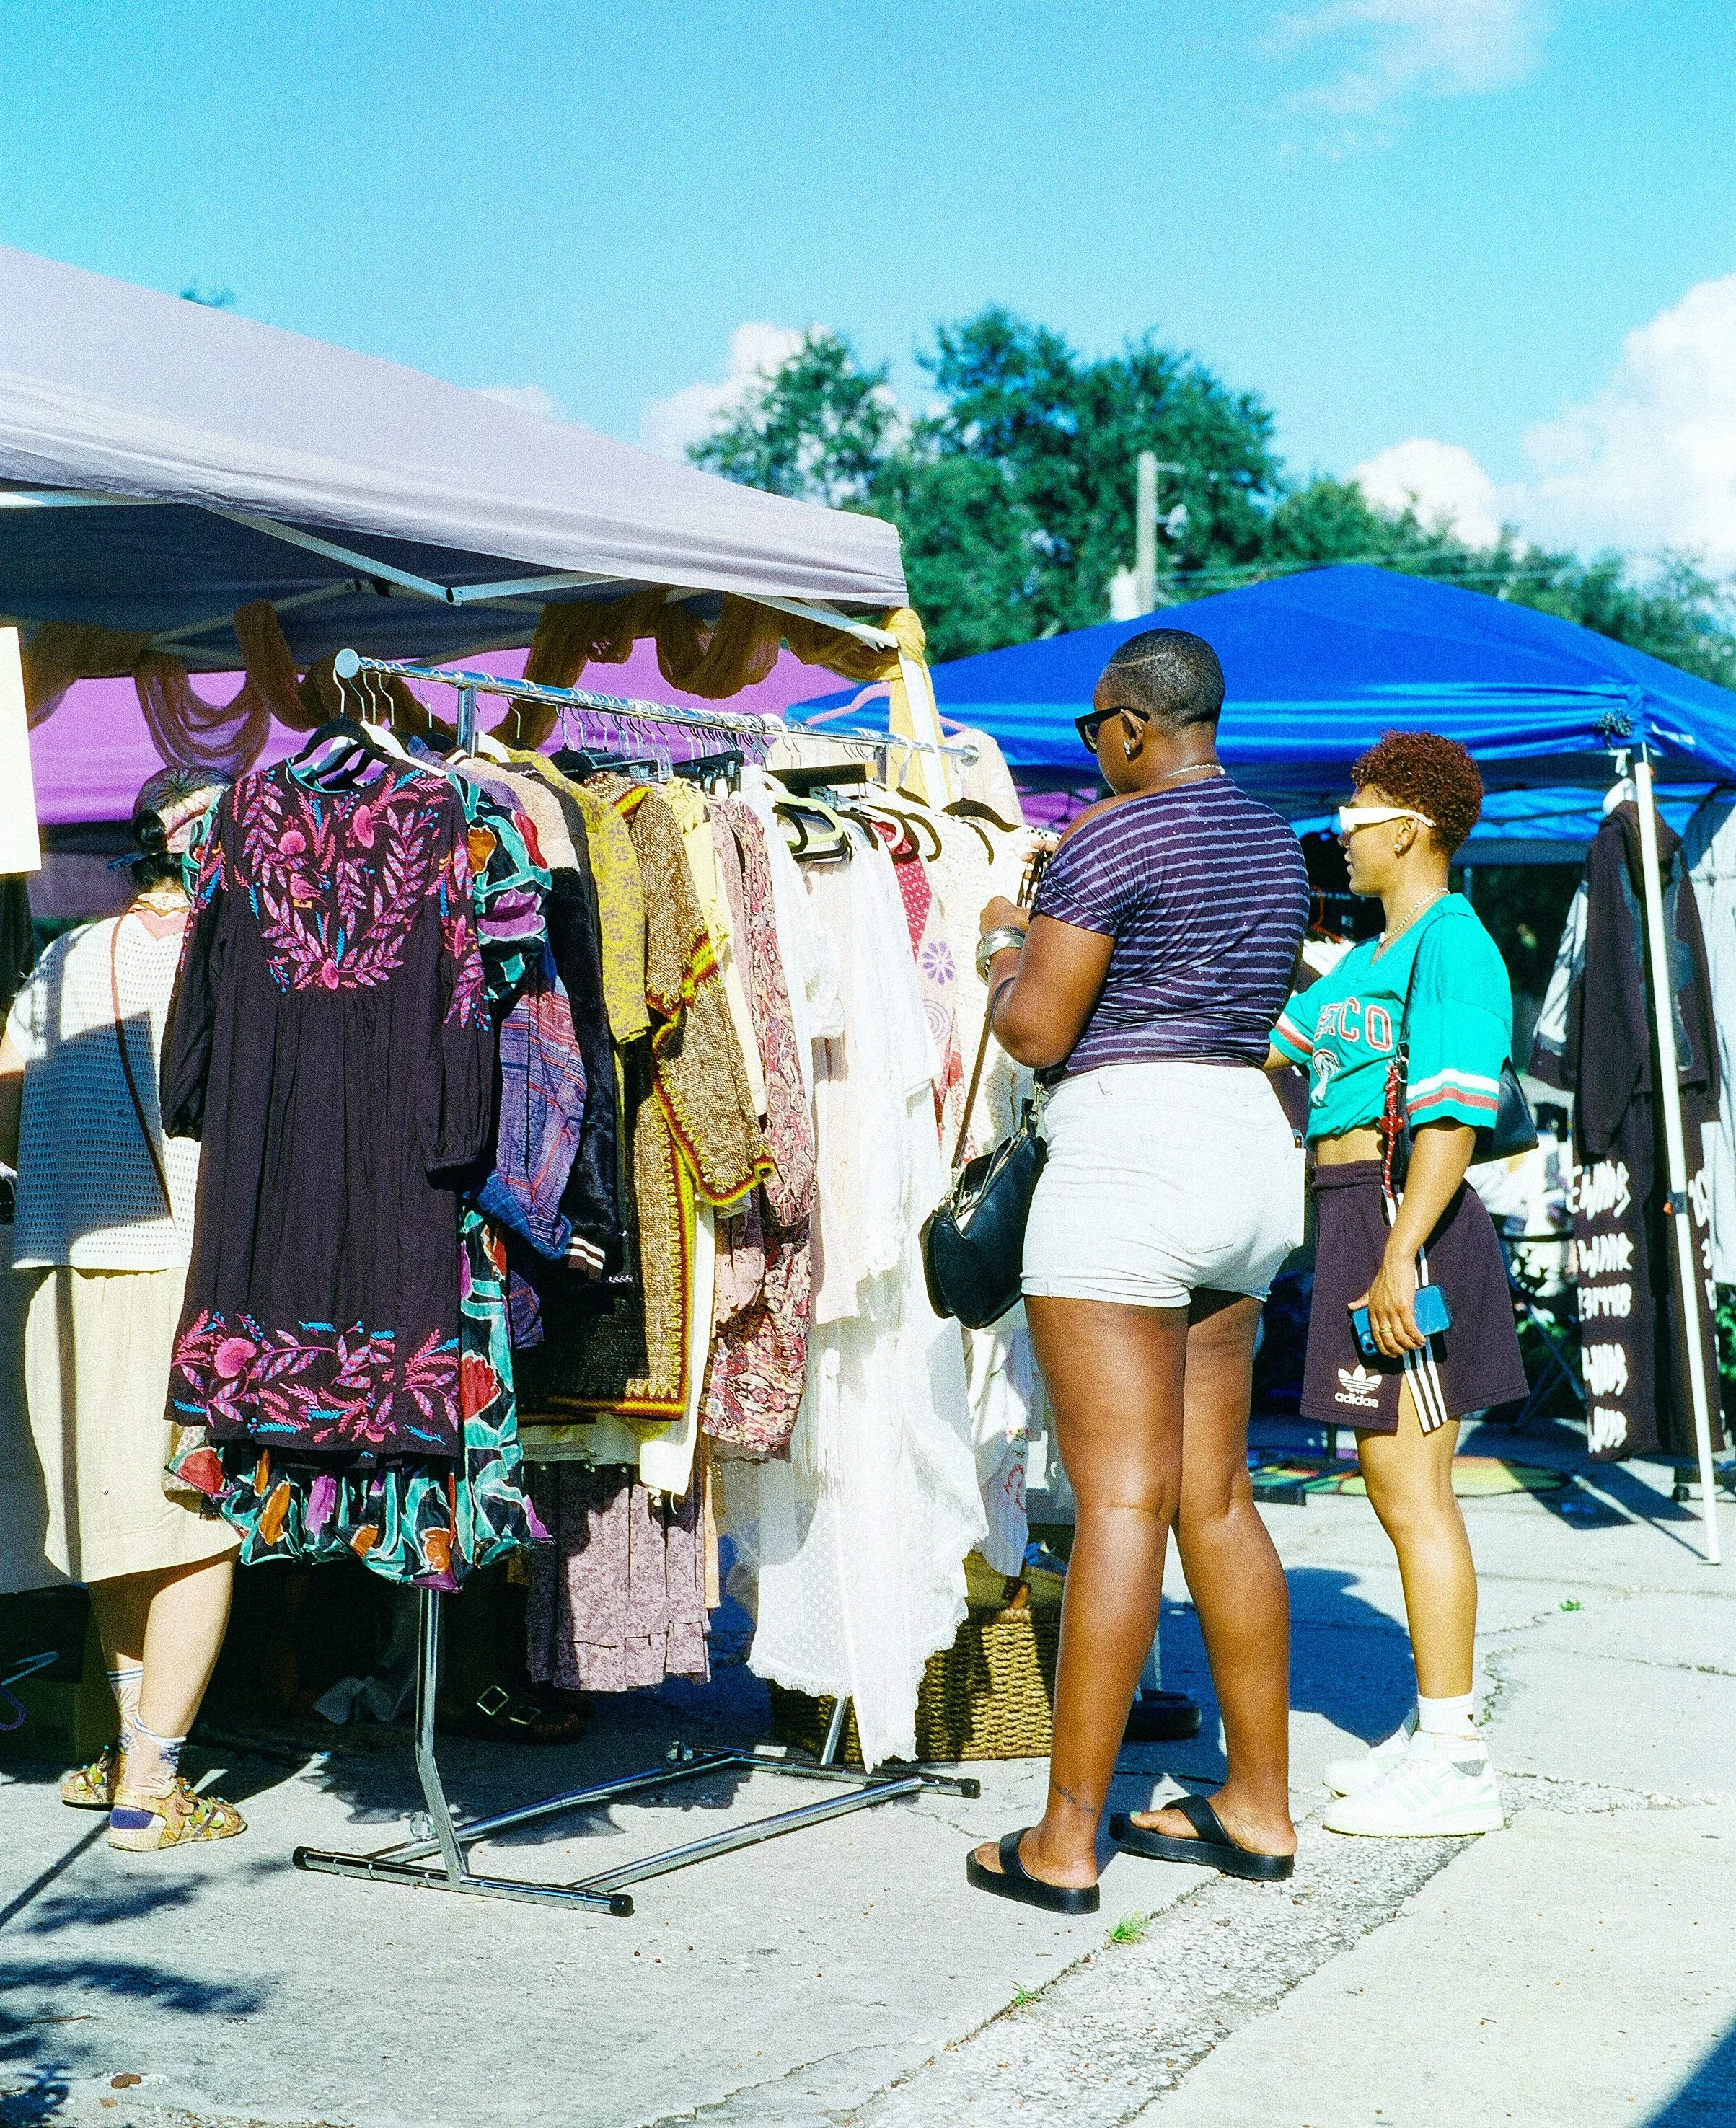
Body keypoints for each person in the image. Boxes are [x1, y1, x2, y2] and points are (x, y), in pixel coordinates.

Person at [966, 628, 1309, 1912]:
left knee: (1117, 1501)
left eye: (1090, 732)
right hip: (1240, 1144)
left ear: (1126, 726)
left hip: (1127, 1156)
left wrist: (1006, 954)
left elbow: (1043, 1026)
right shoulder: (1275, 841)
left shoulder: (1111, 833)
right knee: (1211, 1493)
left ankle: (1063, 1840)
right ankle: (1258, 1807)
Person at [1268, 730, 1525, 1837]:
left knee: (1415, 1489)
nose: (1340, 824)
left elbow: (1452, 1121)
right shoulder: (1366, 959)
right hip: (1347, 1222)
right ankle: (1430, 1732)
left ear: (1409, 824)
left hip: (1399, 1227)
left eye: (1357, 806)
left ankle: (1458, 1756)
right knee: (1385, 1483)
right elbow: (1278, 1060)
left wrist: (1395, 1253)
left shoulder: (1453, 944)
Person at [0, 767, 246, 1853]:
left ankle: (124, 1754)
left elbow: (7, 1093)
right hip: (181, 1263)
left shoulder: (63, 956)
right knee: (198, 1525)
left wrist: (54, 1166)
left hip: (59, 1264)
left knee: (116, 1523)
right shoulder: (227, 960)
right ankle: (153, 1786)